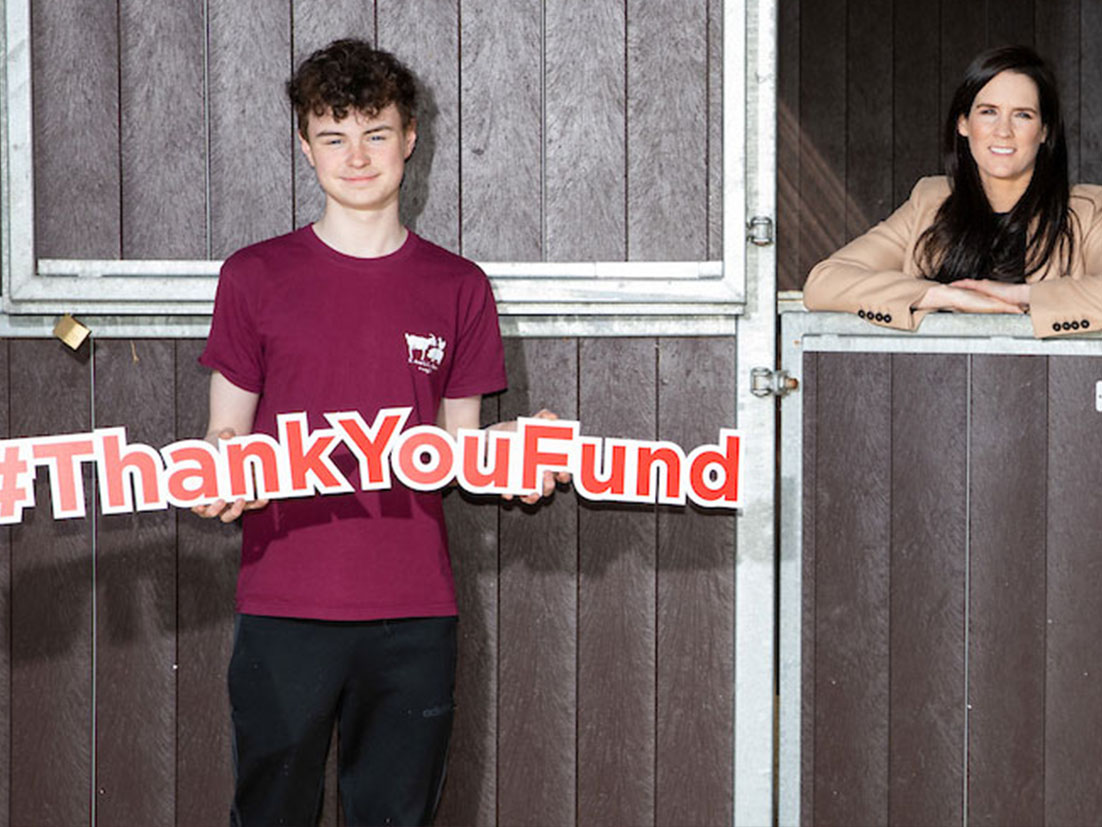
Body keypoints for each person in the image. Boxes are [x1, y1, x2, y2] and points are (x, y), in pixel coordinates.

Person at [193, 39, 563, 826]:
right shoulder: (253, 277)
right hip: (285, 605)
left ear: (410, 138)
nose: (355, 156)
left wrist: (521, 464)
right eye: (333, 135)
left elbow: (459, 452)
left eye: (375, 132)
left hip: (412, 612)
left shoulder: (459, 287)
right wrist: (215, 481)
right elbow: (225, 432)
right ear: (304, 145)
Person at [804, 45, 1102, 338]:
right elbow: (824, 282)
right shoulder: (929, 201)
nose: (1003, 130)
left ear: (1044, 131)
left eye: (1022, 115)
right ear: (963, 123)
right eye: (988, 112)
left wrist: (1022, 295)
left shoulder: (1087, 210)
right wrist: (942, 296)